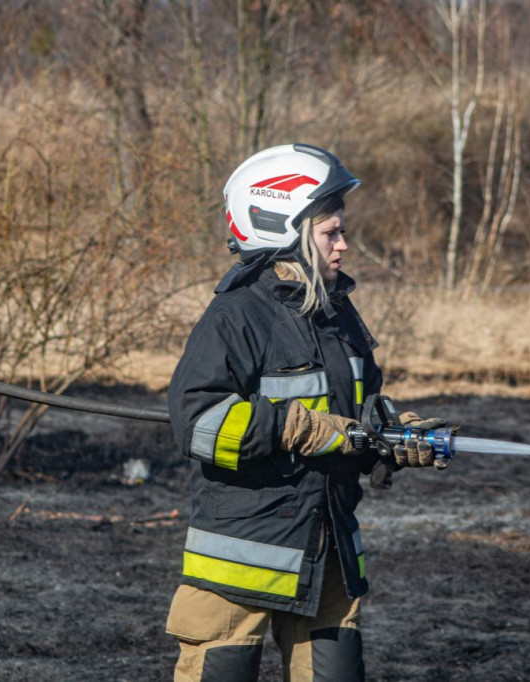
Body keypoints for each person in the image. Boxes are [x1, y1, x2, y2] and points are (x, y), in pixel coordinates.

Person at [165, 143, 447, 682]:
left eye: (342, 231)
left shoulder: (336, 314)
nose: (344, 245)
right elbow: (198, 423)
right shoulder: (237, 315)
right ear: (280, 227)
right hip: (240, 560)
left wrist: (389, 436)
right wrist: (297, 426)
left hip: (329, 555)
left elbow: (354, 415)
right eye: (330, 233)